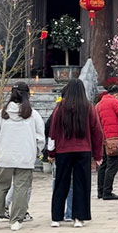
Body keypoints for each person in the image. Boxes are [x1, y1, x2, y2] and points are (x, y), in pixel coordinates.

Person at [0, 82, 45, 231]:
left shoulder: (2, 113)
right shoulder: (33, 114)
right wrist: (36, 152)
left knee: (0, 186)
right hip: (25, 156)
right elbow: (40, 138)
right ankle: (16, 220)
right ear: (27, 94)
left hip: (5, 156)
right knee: (21, 188)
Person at [48, 78, 103, 228]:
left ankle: (56, 217)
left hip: (63, 151)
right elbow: (97, 132)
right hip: (83, 150)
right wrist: (98, 155)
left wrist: (51, 152)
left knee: (61, 183)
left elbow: (53, 132)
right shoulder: (89, 107)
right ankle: (78, 217)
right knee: (81, 184)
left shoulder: (59, 108)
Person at [44, 94, 75, 222]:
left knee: (58, 183)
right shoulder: (77, 112)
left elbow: (48, 132)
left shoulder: (56, 113)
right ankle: (70, 213)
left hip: (59, 152)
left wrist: (51, 152)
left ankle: (58, 212)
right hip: (72, 152)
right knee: (71, 183)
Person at [96, 84, 118, 201]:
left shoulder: (99, 104)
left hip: (103, 138)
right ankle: (107, 191)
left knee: (104, 165)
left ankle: (101, 190)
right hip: (113, 138)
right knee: (112, 165)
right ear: (116, 94)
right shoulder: (114, 102)